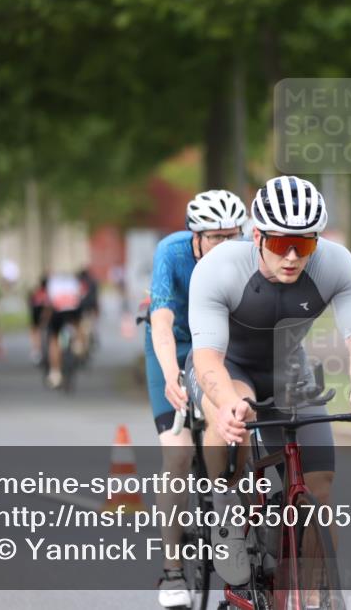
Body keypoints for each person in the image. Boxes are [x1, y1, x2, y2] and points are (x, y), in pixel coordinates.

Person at [184, 175, 351, 589]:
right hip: (229, 368)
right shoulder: (217, 268)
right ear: (256, 235)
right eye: (280, 244)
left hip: (287, 370)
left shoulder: (336, 263)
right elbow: (207, 358)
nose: (292, 256)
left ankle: (313, 596)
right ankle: (225, 507)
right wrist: (224, 403)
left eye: (305, 245)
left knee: (320, 487)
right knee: (235, 406)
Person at [146, 189, 248, 608]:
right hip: (177, 345)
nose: (225, 245)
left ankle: (239, 541)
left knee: (240, 427)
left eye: (232, 235)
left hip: (221, 346)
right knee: (177, 454)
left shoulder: (248, 252)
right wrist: (172, 375)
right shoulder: (171, 252)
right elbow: (162, 320)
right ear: (196, 236)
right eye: (215, 237)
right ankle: (172, 571)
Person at [43, 271, 84, 388]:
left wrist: (45, 319)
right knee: (78, 323)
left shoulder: (52, 282)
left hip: (58, 311)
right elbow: (79, 297)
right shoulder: (74, 281)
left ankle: (55, 373)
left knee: (54, 340)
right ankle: (78, 344)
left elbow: (49, 303)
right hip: (73, 311)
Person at [27, 274, 49, 365]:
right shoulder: (51, 292)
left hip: (35, 311)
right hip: (45, 311)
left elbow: (30, 302)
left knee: (34, 330)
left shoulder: (36, 292)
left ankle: (36, 350)